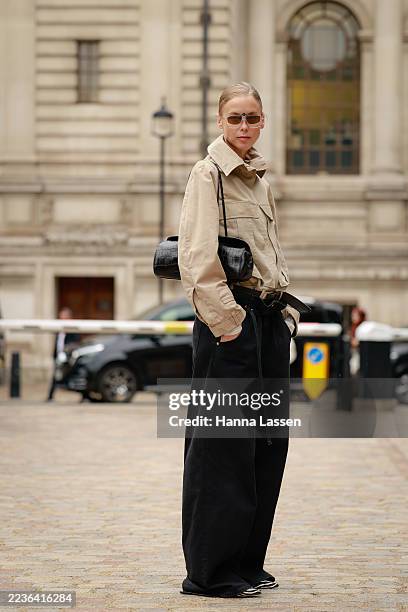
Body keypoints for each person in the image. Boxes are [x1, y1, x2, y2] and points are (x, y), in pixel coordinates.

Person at [178, 82, 307, 598]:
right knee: (222, 448)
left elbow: (269, 254)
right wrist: (229, 324)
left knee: (266, 446)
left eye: (252, 118)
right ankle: (211, 571)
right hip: (230, 324)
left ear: (263, 121)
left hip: (268, 321)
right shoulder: (207, 174)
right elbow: (196, 258)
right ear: (219, 121)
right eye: (234, 118)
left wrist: (284, 321)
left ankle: (248, 562)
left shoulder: (258, 180)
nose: (244, 127)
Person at [46, 306, 80, 402]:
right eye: (61, 316)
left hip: (68, 357)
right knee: (55, 376)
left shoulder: (73, 328)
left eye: (64, 316)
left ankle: (83, 396)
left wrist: (67, 351)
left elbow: (75, 342)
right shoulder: (58, 328)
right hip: (58, 356)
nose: (61, 317)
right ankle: (50, 396)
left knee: (73, 375)